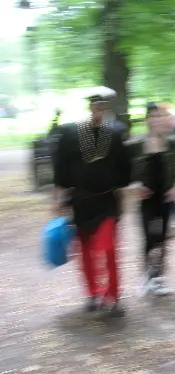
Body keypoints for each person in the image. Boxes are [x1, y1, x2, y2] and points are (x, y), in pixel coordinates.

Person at [51, 87, 132, 316]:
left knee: (107, 249)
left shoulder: (115, 133)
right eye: (95, 106)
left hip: (107, 200)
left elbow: (124, 166)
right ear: (90, 107)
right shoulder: (71, 133)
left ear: (106, 108)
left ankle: (113, 296)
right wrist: (57, 198)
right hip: (81, 201)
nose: (99, 109)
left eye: (103, 106)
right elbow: (61, 168)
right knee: (85, 251)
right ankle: (93, 293)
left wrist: (126, 189)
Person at [127, 103, 175, 296]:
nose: (157, 119)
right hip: (146, 198)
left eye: (161, 116)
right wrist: (134, 185)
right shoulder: (136, 144)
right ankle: (147, 275)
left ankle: (159, 277)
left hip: (166, 197)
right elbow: (123, 169)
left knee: (162, 238)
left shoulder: (174, 141)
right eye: (153, 116)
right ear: (147, 120)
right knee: (148, 237)